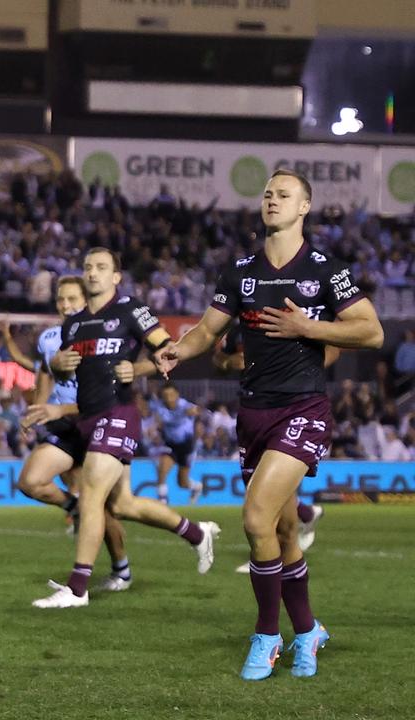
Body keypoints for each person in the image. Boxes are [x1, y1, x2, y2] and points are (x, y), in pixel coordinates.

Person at [158, 170, 383, 679]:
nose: (272, 199)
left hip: (303, 409)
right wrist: (179, 349)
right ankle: (308, 631)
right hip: (253, 413)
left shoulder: (326, 270)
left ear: (304, 207)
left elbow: (370, 331)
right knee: (282, 531)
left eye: (284, 195)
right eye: (267, 193)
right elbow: (206, 332)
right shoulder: (240, 272)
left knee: (256, 518)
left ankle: (266, 636)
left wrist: (308, 326)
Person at [32, 249, 219, 609]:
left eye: (102, 268)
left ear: (116, 277)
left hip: (117, 413)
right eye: (88, 267)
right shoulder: (74, 323)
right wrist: (57, 363)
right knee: (123, 503)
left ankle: (76, 588)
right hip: (84, 417)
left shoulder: (131, 309)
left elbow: (169, 351)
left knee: (91, 495)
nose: (93, 273)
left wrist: (142, 370)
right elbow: (67, 372)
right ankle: (198, 533)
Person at [7, 276, 133, 591]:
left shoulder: (106, 332)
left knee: (110, 506)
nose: (66, 305)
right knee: (30, 481)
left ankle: (122, 569)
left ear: (86, 298)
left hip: (99, 423)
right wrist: (36, 410)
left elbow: (111, 389)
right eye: (61, 300)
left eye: (72, 299)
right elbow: (45, 376)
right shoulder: (50, 338)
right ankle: (74, 508)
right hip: (65, 426)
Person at [215, 332, 328, 573]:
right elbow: (218, 357)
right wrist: (227, 362)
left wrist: (290, 370)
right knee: (268, 498)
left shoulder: (302, 310)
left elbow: (335, 348)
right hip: (254, 411)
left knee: (261, 503)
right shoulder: (241, 316)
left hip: (296, 407)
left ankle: (265, 555)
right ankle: (304, 516)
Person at [150, 383, 203, 505]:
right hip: (171, 445)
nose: (169, 398)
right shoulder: (160, 408)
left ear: (177, 395)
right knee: (162, 468)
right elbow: (158, 419)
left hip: (187, 446)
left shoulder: (184, 405)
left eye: (171, 395)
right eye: (166, 395)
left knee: (182, 483)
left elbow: (194, 410)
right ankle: (162, 502)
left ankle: (196, 487)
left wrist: (194, 411)